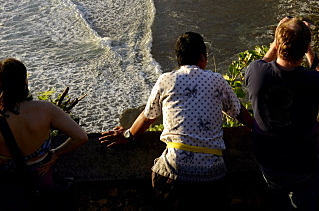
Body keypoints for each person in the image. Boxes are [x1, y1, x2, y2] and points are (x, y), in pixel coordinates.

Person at [100, 31, 253, 209]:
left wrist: (127, 135)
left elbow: (148, 116)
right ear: (202, 57)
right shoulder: (217, 80)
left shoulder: (166, 80)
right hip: (212, 173)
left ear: (178, 60)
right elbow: (237, 111)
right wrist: (259, 129)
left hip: (175, 171)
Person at [0, 58, 88, 209]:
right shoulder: (46, 110)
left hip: (6, 185)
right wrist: (56, 153)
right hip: (41, 176)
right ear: (24, 81)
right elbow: (81, 137)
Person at [243, 17, 319, 211]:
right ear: (304, 48)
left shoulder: (258, 74)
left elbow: (260, 63)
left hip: (269, 161)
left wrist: (275, 44)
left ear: (278, 44)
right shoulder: (312, 81)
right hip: (303, 162)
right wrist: (310, 51)